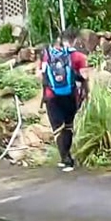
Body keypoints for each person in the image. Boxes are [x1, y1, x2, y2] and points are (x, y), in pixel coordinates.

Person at [35, 28, 90, 172]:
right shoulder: (78, 56)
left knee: (58, 128)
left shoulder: (46, 55)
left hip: (51, 96)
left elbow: (39, 75)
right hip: (70, 95)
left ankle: (66, 159)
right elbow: (85, 76)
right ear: (75, 40)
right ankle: (67, 159)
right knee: (68, 126)